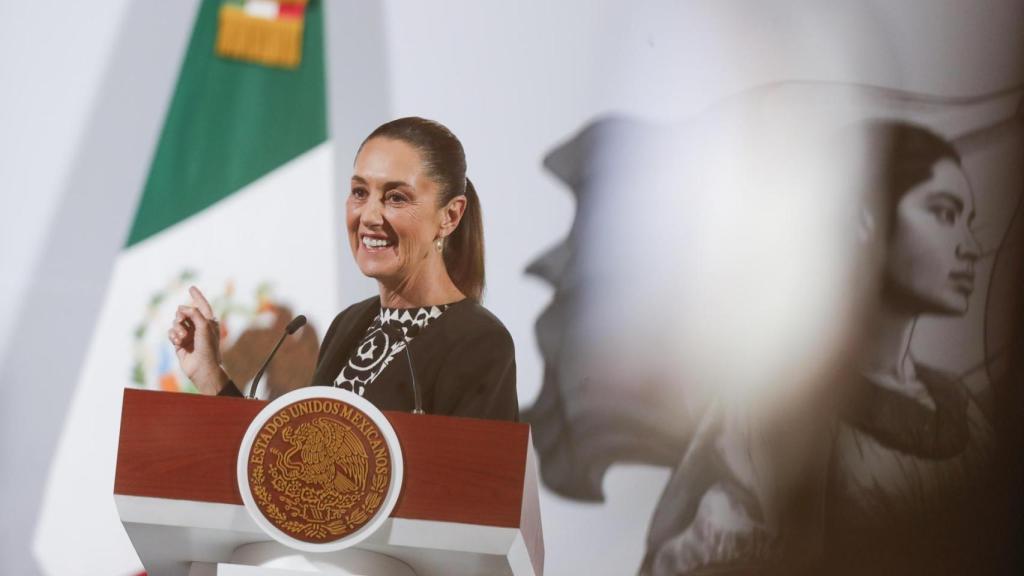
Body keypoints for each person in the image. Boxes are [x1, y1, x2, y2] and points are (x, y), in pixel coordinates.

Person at [167, 117, 519, 421]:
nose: (368, 216)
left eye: (396, 197)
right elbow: (289, 470)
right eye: (359, 192)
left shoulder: (480, 344)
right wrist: (209, 374)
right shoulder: (350, 323)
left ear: (450, 215)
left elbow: (477, 492)